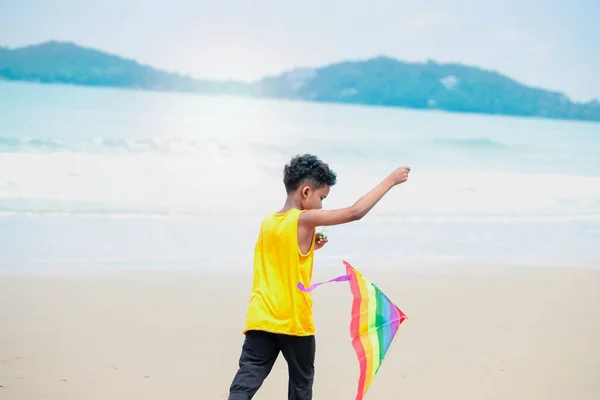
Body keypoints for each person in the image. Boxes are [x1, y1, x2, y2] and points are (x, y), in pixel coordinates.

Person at [227, 154, 410, 400]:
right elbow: (355, 212)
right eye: (321, 197)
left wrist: (310, 245)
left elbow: (280, 257)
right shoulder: (305, 219)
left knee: (244, 383)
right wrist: (391, 180)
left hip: (261, 319)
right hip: (294, 322)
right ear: (305, 192)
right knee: (301, 387)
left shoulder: (268, 222)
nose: (322, 205)